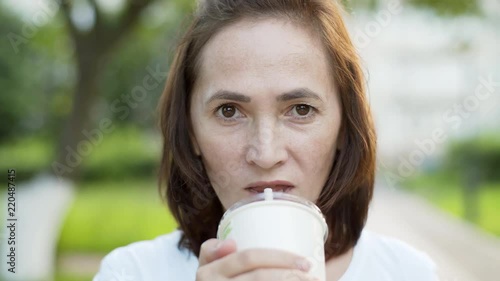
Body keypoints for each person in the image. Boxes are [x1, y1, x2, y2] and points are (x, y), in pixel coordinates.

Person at [93, 0, 438, 280]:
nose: (265, 153)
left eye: (300, 109)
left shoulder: (408, 272)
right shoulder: (131, 272)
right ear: (191, 132)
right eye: (229, 111)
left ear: (344, 128)